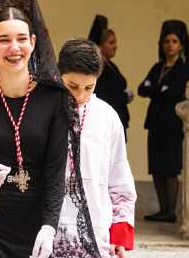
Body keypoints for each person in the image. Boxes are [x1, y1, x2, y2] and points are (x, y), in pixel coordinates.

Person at [0, 0, 100, 258]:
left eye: (21, 39)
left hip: (33, 224)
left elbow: (55, 173)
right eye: (4, 40)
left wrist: (49, 228)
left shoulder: (54, 99)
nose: (14, 48)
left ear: (32, 42)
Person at [54, 39, 137, 258]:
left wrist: (119, 235)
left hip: (95, 230)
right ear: (59, 75)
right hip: (49, 233)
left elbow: (119, 180)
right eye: (72, 86)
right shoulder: (44, 111)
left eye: (88, 88)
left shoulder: (107, 117)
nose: (80, 95)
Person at [138, 20, 189, 223]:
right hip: (155, 124)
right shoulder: (158, 67)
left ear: (181, 45)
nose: (170, 45)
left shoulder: (184, 69)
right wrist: (158, 89)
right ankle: (162, 209)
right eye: (166, 41)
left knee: (170, 168)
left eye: (174, 41)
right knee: (156, 167)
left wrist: (156, 89)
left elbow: (175, 94)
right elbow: (141, 89)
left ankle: (170, 210)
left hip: (172, 125)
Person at [88, 15, 132, 140]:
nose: (115, 46)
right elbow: (103, 94)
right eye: (111, 43)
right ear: (100, 46)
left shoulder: (111, 65)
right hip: (105, 123)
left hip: (117, 120)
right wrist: (125, 96)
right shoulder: (97, 68)